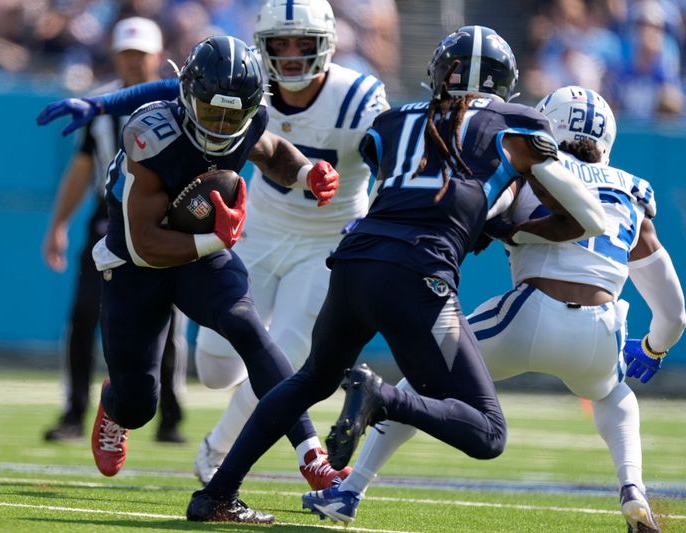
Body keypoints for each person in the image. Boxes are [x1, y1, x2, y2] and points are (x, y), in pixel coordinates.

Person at [184, 26, 607, 523]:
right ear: (505, 84)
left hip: (354, 263)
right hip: (418, 277)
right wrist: (520, 231)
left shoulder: (395, 122)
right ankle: (381, 398)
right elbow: (590, 218)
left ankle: (215, 494)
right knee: (488, 433)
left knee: (310, 379)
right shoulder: (516, 126)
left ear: (437, 76)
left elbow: (418, 184)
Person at [36, 0, 389, 486]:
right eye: (211, 113)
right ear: (187, 97)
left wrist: (307, 174)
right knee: (140, 403)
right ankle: (115, 402)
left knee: (251, 333)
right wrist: (214, 239)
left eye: (234, 117)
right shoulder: (150, 134)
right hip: (138, 264)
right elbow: (143, 244)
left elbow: (273, 153)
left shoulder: (253, 117)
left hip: (204, 249)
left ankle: (310, 454)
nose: (222, 127)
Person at [306, 86, 686, 533]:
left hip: (528, 313)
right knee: (614, 394)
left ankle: (349, 492)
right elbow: (675, 314)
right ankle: (632, 489)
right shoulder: (632, 195)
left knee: (421, 382)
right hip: (601, 332)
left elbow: (474, 216)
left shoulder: (532, 167)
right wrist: (654, 349)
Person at [41, 16, 188, 445]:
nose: (133, 62)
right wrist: (58, 225)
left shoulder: (176, 103)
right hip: (110, 224)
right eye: (126, 54)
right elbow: (82, 167)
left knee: (169, 322)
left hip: (165, 226)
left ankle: (170, 415)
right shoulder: (100, 106)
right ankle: (74, 411)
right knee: (85, 315)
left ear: (158, 56)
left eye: (140, 54)